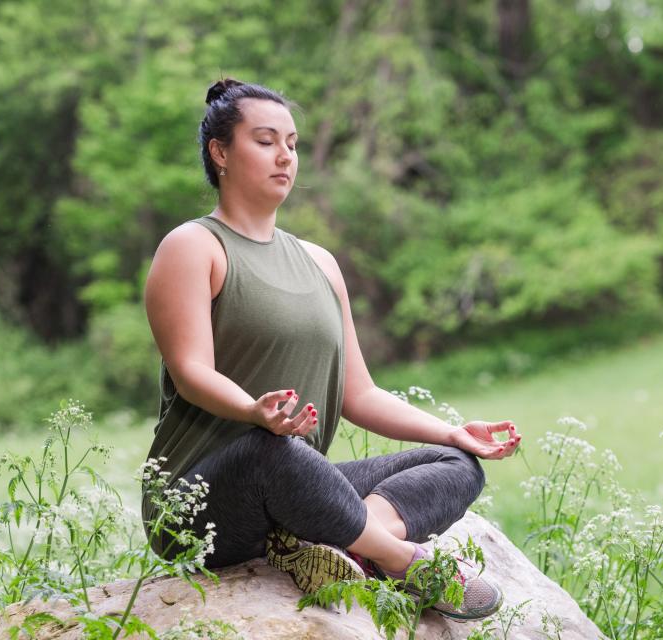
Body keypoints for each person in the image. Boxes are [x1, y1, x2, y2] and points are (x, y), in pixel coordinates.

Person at [141, 78, 522, 621]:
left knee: (455, 464)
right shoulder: (193, 246)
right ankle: (403, 560)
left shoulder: (319, 262)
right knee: (269, 451)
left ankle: (336, 543)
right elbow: (190, 370)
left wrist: (450, 429)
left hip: (297, 490)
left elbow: (360, 394)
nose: (285, 157)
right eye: (266, 141)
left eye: (293, 144)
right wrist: (254, 413)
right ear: (220, 152)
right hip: (199, 503)